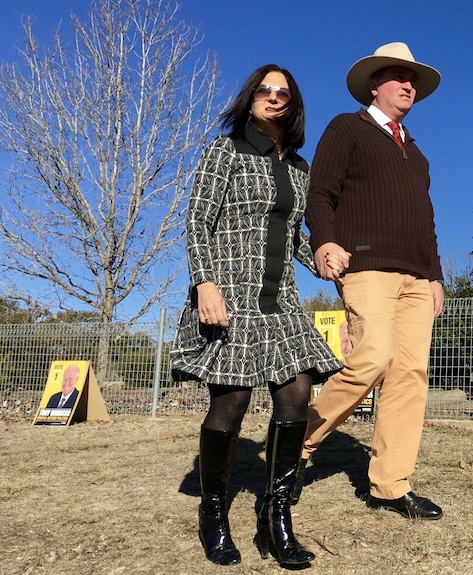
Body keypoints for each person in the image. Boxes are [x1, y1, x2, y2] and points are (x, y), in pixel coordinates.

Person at [170, 64, 342, 567]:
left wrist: (325, 259)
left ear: (293, 104)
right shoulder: (225, 151)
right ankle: (214, 513)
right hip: (229, 295)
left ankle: (276, 516)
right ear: (249, 99)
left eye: (282, 92)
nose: (272, 97)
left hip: (281, 300)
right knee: (232, 403)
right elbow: (198, 219)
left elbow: (296, 241)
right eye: (264, 90)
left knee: (296, 392)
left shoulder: (300, 170)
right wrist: (204, 282)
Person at [299, 42, 445, 520]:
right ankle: (297, 443)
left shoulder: (418, 154)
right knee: (371, 359)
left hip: (417, 279)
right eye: (400, 77)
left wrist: (436, 277)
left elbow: (426, 220)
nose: (409, 85)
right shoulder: (347, 128)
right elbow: (319, 192)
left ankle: (390, 485)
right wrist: (324, 241)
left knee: (409, 378)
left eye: (414, 80)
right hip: (365, 268)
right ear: (374, 85)